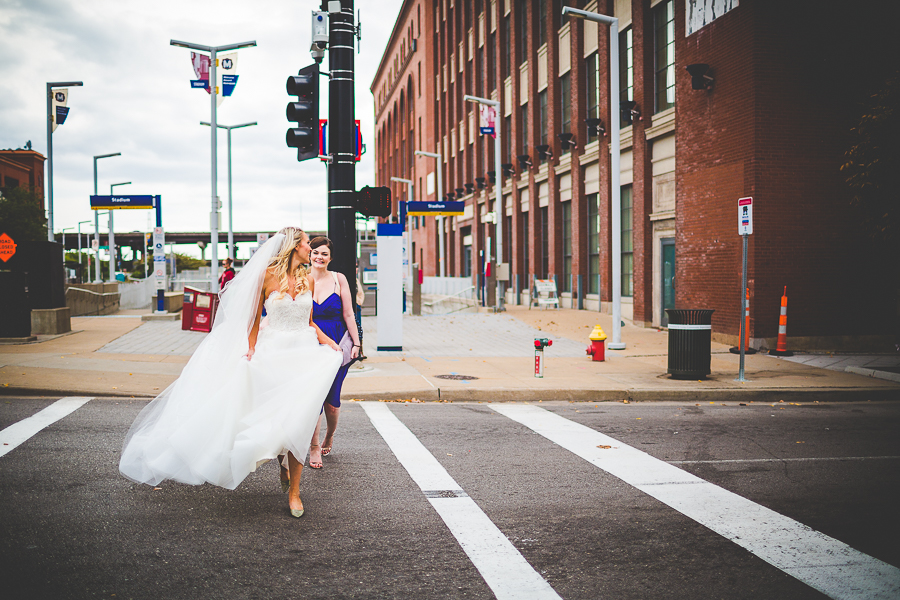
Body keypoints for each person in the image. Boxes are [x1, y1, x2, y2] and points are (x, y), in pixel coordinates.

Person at [119, 227, 342, 519]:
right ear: (292, 247)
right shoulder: (267, 277)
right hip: (273, 353)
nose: (309, 248)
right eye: (304, 243)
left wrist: (328, 342)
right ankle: (281, 460)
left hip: (304, 354)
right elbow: (251, 321)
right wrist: (250, 349)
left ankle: (295, 492)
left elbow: (309, 321)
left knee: (299, 419)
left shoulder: (306, 279)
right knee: (274, 419)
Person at [306, 236, 361, 469]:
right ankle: (314, 446)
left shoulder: (339, 279)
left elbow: (349, 313)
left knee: (332, 403)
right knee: (314, 399)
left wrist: (357, 344)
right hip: (309, 343)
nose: (319, 257)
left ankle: (329, 435)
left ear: (330, 257)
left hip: (338, 344)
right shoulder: (301, 279)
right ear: (309, 254)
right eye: (315, 252)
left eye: (324, 253)